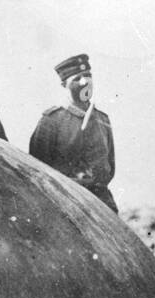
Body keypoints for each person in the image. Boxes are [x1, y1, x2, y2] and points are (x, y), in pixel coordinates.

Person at [29, 54, 118, 213]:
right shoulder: (51, 120)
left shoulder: (103, 119)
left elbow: (109, 167)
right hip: (66, 203)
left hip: (102, 203)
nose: (85, 82)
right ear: (64, 84)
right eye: (77, 78)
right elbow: (37, 169)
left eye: (88, 76)